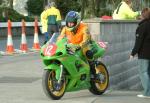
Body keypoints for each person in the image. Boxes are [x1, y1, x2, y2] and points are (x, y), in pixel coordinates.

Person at [130, 8, 150, 98]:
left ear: (143, 15)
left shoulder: (142, 26)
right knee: (148, 73)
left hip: (144, 54)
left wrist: (133, 53)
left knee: (143, 72)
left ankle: (147, 93)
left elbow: (139, 41)